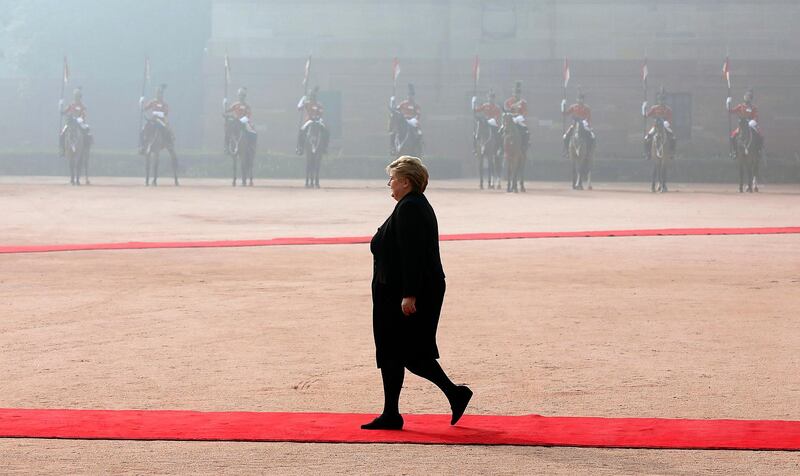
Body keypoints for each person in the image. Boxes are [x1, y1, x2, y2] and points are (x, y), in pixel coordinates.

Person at [362, 156, 473, 431]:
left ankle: (451, 394)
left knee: (406, 353)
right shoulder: (410, 205)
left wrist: (409, 295)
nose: (389, 183)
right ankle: (395, 411)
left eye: (393, 178)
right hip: (397, 290)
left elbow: (413, 256)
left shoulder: (410, 208)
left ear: (406, 182)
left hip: (406, 292)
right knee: (398, 352)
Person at [139, 83, 175, 155]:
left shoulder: (164, 104)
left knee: (167, 131)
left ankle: (169, 144)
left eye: (160, 94)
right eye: (157, 93)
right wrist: (141, 102)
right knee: (143, 129)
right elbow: (144, 109)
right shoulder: (153, 102)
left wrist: (160, 115)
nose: (158, 95)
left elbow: (165, 113)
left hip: (161, 120)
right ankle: (143, 146)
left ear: (162, 95)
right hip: (153, 120)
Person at [727, 88, 763, 157]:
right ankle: (735, 152)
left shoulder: (753, 107)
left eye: (748, 97)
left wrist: (752, 121)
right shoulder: (740, 106)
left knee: (760, 135)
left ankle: (759, 150)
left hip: (751, 124)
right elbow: (731, 111)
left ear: (750, 98)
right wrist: (728, 103)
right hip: (742, 125)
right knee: (733, 136)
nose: (746, 98)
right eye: (745, 96)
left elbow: (756, 116)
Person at [643, 87, 676, 160]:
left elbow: (670, 119)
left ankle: (671, 153)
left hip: (665, 125)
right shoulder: (654, 108)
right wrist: (644, 108)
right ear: (658, 100)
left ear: (665, 100)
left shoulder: (668, 109)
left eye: (663, 100)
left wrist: (667, 122)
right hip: (656, 125)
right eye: (660, 100)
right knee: (647, 138)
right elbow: (647, 115)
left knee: (673, 137)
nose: (661, 102)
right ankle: (648, 153)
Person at [296, 86, 329, 155]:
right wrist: (302, 99)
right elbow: (299, 108)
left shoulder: (319, 104)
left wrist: (318, 118)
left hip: (317, 121)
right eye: (311, 96)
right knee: (302, 131)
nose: (312, 97)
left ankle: (325, 147)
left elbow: (321, 113)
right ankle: (300, 148)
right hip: (309, 121)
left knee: (326, 131)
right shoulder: (307, 103)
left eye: (314, 96)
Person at [390, 83, 422, 155]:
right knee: (393, 132)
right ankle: (393, 148)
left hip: (412, 121)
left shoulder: (416, 105)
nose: (410, 97)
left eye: (411, 95)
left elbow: (418, 115)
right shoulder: (403, 104)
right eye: (409, 95)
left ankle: (417, 148)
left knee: (419, 133)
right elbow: (396, 110)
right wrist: (392, 101)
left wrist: (414, 120)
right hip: (403, 120)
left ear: (413, 96)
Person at [59, 87, 93, 156]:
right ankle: (63, 149)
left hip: (79, 123)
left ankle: (85, 149)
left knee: (86, 133)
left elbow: (83, 115)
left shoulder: (82, 106)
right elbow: (63, 112)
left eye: (77, 96)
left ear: (80, 97)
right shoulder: (71, 105)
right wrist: (60, 105)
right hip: (70, 123)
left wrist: (80, 119)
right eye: (75, 96)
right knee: (62, 133)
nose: (76, 98)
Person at [561, 90, 595, 156]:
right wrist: (563, 105)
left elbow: (589, 118)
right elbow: (565, 114)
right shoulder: (573, 107)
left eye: (581, 99)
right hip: (574, 124)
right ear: (577, 99)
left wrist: (586, 124)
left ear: (583, 100)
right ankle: (567, 151)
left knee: (591, 137)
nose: (580, 100)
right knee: (565, 137)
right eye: (579, 99)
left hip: (583, 125)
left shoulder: (587, 108)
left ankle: (589, 151)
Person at [503, 80, 529, 154]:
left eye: (518, 93)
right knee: (501, 130)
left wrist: (520, 117)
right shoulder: (508, 101)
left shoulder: (523, 102)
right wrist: (511, 113)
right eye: (515, 93)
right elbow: (506, 109)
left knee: (525, 131)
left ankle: (524, 146)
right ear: (513, 93)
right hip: (510, 119)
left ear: (520, 94)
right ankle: (501, 148)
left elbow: (525, 112)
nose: (516, 94)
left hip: (519, 119)